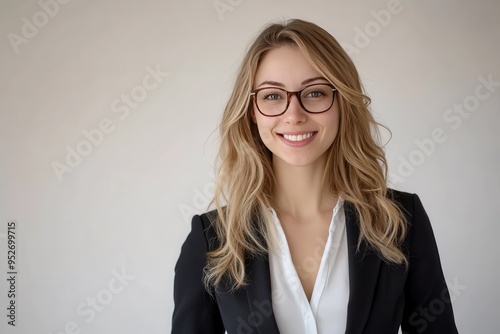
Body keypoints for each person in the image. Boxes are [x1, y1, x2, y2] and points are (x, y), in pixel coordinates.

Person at [171, 19, 459, 334]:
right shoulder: (212, 238)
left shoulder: (401, 221)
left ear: (342, 103)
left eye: (315, 92)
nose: (293, 115)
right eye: (272, 96)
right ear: (251, 111)